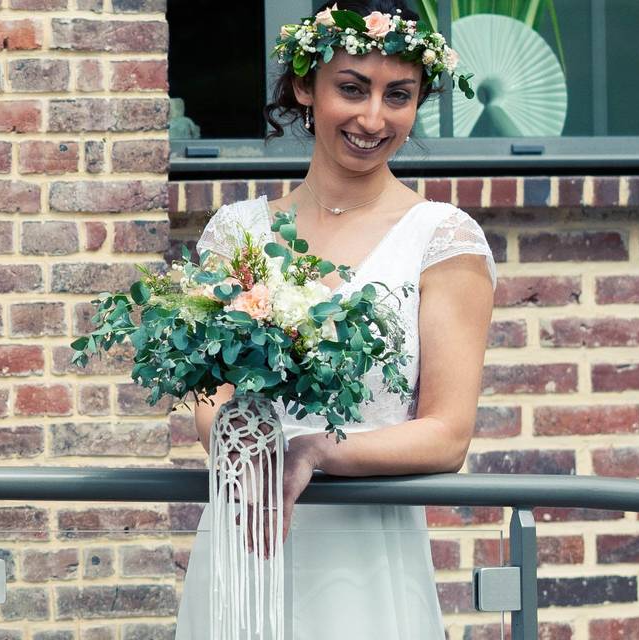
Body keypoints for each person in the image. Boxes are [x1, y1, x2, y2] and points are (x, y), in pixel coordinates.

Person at [175, 2, 496, 637]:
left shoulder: (443, 240)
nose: (373, 118)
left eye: (397, 96)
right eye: (352, 88)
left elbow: (447, 434)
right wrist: (248, 445)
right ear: (304, 88)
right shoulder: (236, 234)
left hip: (365, 550)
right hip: (243, 537)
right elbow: (208, 396)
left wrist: (316, 451)